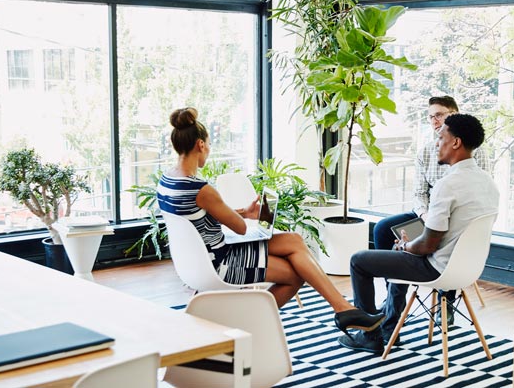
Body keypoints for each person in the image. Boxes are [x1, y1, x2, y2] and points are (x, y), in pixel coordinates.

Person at [157, 107, 384, 336]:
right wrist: (247, 217)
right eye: (209, 144)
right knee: (295, 274)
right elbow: (240, 228)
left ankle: (344, 309)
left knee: (294, 240)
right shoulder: (201, 189)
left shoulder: (167, 180)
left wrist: (243, 212)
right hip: (221, 261)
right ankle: (249, 326)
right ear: (200, 145)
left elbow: (202, 216)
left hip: (198, 259)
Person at [339, 114, 499, 354]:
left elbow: (427, 246)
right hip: (468, 269)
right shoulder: (488, 182)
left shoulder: (449, 184)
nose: (437, 143)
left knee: (359, 260)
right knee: (401, 252)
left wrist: (406, 246)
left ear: (455, 142)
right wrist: (409, 247)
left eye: (441, 137)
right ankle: (389, 327)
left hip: (437, 267)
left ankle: (369, 334)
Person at [372, 95, 491, 324]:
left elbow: (479, 193)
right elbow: (419, 194)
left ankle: (446, 301)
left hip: (458, 217)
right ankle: (392, 297)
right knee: (383, 229)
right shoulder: (427, 151)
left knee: (446, 237)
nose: (434, 121)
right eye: (430, 117)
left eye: (439, 115)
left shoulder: (475, 152)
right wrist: (425, 215)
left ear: (454, 114)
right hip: (428, 214)